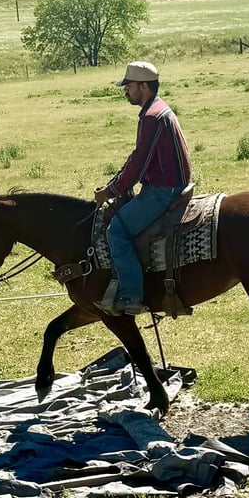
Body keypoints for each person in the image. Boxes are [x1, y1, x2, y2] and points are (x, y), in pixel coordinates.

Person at [94, 61, 192, 316]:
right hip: (170, 185)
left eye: (129, 85)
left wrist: (110, 192)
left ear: (144, 86)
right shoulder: (158, 110)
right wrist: (115, 183)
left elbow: (138, 164)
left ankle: (130, 297)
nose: (125, 90)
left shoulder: (151, 118)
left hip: (163, 190)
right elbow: (138, 157)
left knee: (117, 230)